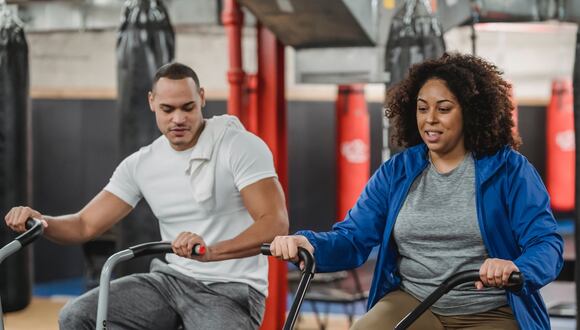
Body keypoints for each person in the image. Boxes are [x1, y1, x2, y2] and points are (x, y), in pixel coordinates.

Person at [269, 53, 563, 329]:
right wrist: (308, 244)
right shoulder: (397, 172)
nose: (430, 119)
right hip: (416, 301)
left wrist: (515, 267)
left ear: (471, 113)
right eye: (423, 108)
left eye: (444, 108)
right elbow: (353, 239)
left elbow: (546, 243)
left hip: (491, 308)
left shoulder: (510, 170)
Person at [4, 62, 289, 329]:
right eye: (167, 109)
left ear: (202, 98)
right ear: (152, 102)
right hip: (169, 281)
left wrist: (212, 252)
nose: (178, 118)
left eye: (187, 107)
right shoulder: (142, 164)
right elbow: (84, 225)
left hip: (231, 288)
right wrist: (41, 221)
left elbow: (274, 223)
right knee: (78, 316)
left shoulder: (239, 146)